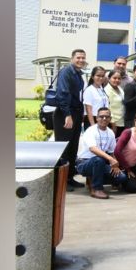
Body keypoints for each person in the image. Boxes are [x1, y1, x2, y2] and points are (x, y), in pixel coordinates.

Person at [75, 107, 127, 199]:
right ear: (97, 118)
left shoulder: (110, 133)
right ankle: (96, 189)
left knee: (121, 177)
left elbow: (112, 152)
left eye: (107, 117)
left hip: (101, 163)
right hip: (84, 163)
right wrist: (110, 159)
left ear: (110, 119)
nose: (104, 119)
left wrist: (115, 165)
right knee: (98, 159)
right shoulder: (91, 130)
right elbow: (93, 149)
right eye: (101, 116)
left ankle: (92, 179)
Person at [55, 49, 88, 189]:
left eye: (83, 58)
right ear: (72, 59)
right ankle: (60, 181)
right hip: (65, 114)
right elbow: (63, 94)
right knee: (64, 149)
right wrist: (67, 115)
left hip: (75, 113)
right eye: (78, 57)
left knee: (73, 147)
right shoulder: (66, 72)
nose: (81, 60)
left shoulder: (79, 74)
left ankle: (69, 177)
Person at [104, 69, 126, 136]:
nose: (117, 80)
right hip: (113, 124)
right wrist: (113, 124)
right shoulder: (106, 90)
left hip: (121, 122)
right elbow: (108, 108)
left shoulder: (120, 89)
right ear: (109, 78)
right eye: (114, 78)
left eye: (119, 78)